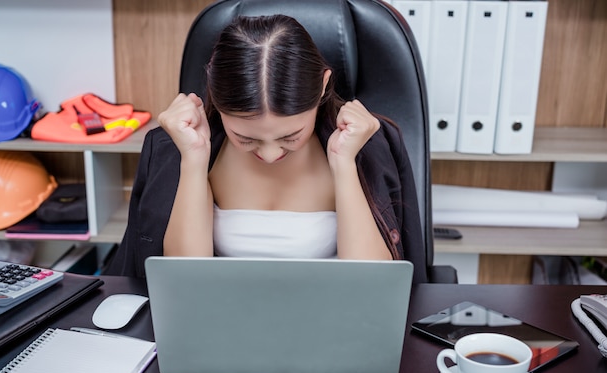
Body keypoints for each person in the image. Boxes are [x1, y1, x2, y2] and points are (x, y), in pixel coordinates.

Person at [105, 14, 425, 280]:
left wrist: (343, 164)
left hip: (334, 326)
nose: (270, 154)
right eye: (246, 138)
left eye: (290, 136)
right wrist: (193, 160)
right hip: (218, 325)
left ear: (323, 86)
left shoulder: (366, 146)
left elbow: (372, 288)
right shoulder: (177, 149)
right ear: (215, 96)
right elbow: (183, 282)